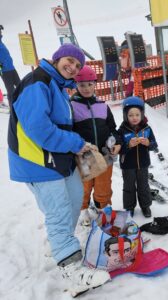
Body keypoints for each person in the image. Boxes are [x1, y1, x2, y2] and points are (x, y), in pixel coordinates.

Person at [7, 43, 110, 297]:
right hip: (38, 161)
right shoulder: (37, 82)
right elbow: (40, 128)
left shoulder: (58, 86)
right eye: (69, 61)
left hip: (58, 160)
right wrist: (75, 143)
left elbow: (62, 124)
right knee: (60, 211)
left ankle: (59, 243)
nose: (73, 68)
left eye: (77, 65)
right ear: (56, 58)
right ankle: (72, 270)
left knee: (76, 200)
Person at [71, 65, 121, 226]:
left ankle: (102, 209)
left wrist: (115, 140)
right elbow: (68, 131)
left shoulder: (103, 106)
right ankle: (83, 210)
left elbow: (113, 128)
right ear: (76, 85)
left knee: (103, 185)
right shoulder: (71, 106)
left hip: (104, 154)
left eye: (90, 84)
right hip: (84, 156)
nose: (86, 88)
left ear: (95, 84)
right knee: (84, 186)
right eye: (81, 85)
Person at [117, 96, 157, 218]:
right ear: (125, 116)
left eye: (137, 115)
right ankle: (129, 207)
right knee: (128, 186)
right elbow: (119, 149)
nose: (134, 118)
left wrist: (148, 144)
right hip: (127, 165)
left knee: (143, 186)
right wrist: (128, 145)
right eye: (130, 115)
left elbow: (155, 145)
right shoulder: (122, 130)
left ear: (142, 114)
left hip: (143, 164)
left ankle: (145, 206)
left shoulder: (147, 129)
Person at [0, 25, 21, 104]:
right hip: (5, 71)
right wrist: (1, 69)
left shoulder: (1, 42)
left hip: (11, 68)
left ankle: (21, 104)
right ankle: (12, 108)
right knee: (11, 90)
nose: (1, 33)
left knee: (20, 86)